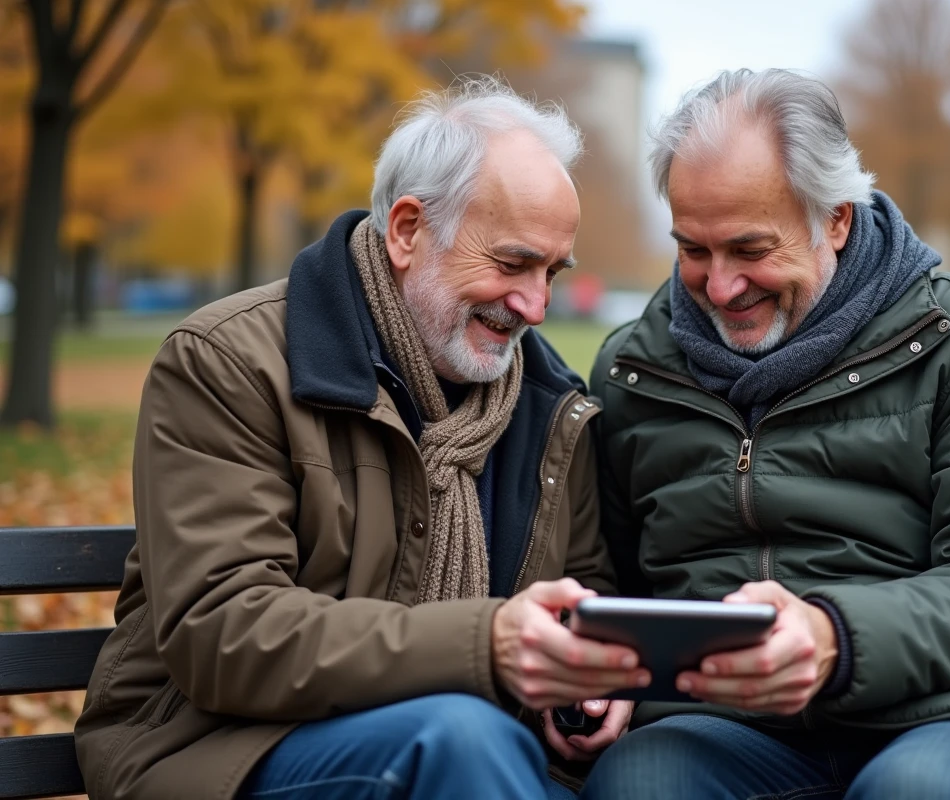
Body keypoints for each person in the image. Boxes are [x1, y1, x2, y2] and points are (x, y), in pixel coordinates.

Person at [74, 77, 645, 800]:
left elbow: (583, 590)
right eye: (510, 264)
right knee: (459, 739)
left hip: (488, 759)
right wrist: (487, 643)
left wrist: (590, 682)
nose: (536, 305)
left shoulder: (550, 404)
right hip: (220, 750)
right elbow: (223, 635)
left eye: (552, 272)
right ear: (407, 231)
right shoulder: (228, 361)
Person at [583, 68, 950, 800]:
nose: (721, 286)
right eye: (694, 250)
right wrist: (603, 670)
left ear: (835, 217)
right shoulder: (632, 369)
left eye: (750, 249)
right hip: (720, 723)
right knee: (640, 783)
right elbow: (606, 578)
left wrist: (834, 637)